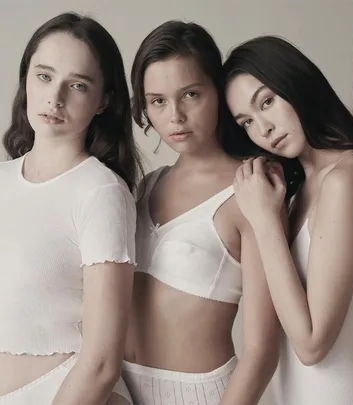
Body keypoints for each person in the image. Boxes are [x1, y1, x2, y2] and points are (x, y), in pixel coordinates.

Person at [223, 35, 353, 405]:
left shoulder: (347, 177)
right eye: (246, 121)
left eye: (267, 101)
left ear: (296, 84)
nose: (263, 128)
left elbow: (312, 344)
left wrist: (265, 222)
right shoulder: (297, 186)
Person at [121, 21, 279, 405]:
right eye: (157, 100)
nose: (174, 115)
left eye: (190, 94)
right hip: (120, 389)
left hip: (200, 396)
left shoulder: (251, 187)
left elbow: (262, 349)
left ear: (217, 91)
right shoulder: (147, 186)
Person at [0, 12, 143, 405]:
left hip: (66, 395)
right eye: (44, 76)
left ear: (103, 101)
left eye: (77, 85)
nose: (55, 98)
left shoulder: (100, 192)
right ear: (26, 78)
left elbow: (101, 364)